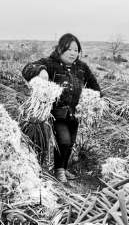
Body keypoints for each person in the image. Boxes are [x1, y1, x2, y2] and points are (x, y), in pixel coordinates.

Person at [22, 33, 101, 183]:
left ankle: (63, 168)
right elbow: (27, 69)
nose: (73, 53)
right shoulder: (50, 63)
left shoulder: (82, 67)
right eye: (69, 49)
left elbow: (94, 86)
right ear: (60, 49)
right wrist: (41, 71)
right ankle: (58, 171)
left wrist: (97, 100)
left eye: (76, 50)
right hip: (56, 113)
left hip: (75, 113)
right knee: (63, 140)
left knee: (70, 142)